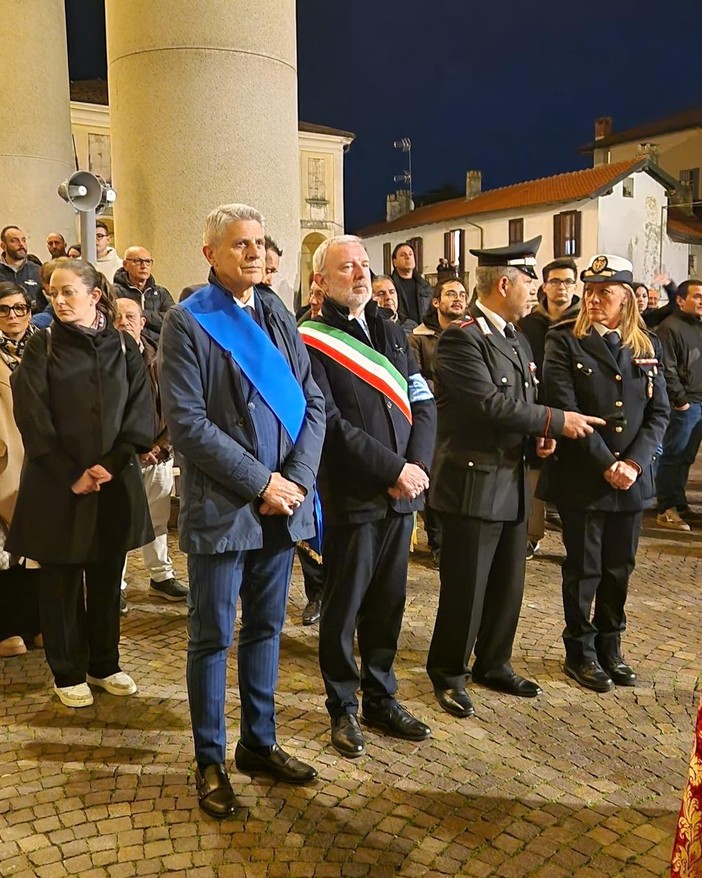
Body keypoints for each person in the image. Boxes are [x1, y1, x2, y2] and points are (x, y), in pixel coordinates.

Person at [159, 203, 325, 819]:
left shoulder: (277, 311)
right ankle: (209, 759)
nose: (254, 253)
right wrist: (262, 483)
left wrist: (297, 480)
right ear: (210, 254)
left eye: (259, 243)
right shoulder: (187, 321)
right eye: (239, 245)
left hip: (282, 506)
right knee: (212, 637)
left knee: (265, 628)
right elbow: (188, 424)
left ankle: (259, 741)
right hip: (225, 508)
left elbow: (313, 402)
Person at [426, 237, 605, 720]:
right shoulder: (462, 338)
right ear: (504, 284)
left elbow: (521, 404)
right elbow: (488, 405)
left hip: (512, 477)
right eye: (530, 281)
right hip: (474, 481)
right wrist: (555, 421)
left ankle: (494, 662)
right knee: (466, 588)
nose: (536, 291)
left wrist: (538, 439)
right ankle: (449, 673)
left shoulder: (515, 337)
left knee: (508, 583)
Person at [299, 234, 436, 759]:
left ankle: (381, 697)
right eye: (347, 267)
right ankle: (343, 707)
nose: (360, 274)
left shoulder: (393, 331)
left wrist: (417, 466)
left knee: (388, 603)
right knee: (344, 606)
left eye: (364, 265)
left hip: (402, 494)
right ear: (321, 280)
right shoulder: (310, 340)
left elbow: (423, 402)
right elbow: (330, 424)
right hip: (354, 494)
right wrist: (393, 469)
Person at [6, 259, 155, 708]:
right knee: (62, 581)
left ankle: (104, 663)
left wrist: (111, 463)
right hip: (58, 484)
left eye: (68, 291)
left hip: (113, 482)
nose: (59, 300)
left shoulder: (123, 346)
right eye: (53, 293)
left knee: (108, 577)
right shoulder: (43, 344)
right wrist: (73, 472)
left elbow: (140, 408)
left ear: (95, 295)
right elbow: (32, 412)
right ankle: (67, 670)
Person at [538, 254, 669, 692]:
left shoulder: (646, 345)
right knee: (584, 568)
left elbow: (659, 413)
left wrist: (633, 464)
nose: (593, 299)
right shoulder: (564, 341)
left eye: (604, 292)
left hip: (631, 479)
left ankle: (611, 647)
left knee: (619, 568)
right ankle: (580, 651)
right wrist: (606, 463)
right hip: (584, 476)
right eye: (589, 291)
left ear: (625, 298)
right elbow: (562, 405)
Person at [114, 297, 188, 602]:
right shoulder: (104, 359)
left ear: (143, 322)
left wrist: (161, 444)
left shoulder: (160, 358)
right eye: (117, 316)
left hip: (159, 454)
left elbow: (176, 404)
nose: (124, 322)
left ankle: (161, 576)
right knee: (118, 523)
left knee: (158, 520)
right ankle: (115, 586)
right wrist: (134, 448)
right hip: (122, 459)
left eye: (130, 316)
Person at [519, 258, 581, 558]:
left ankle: (575, 541)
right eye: (555, 281)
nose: (562, 288)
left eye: (568, 281)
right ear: (544, 286)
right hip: (538, 409)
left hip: (573, 410)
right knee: (534, 475)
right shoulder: (529, 324)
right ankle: (532, 535)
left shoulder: (584, 322)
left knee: (573, 479)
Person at [409, 278, 468, 565]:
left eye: (462, 295)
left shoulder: (472, 333)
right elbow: (417, 378)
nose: (458, 299)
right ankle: (437, 540)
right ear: (436, 302)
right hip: (435, 416)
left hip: (465, 418)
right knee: (435, 482)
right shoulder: (419, 338)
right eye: (451, 294)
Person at [0, 282, 41, 657]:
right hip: (4, 460)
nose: (13, 316)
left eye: (19, 308)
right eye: (3, 309)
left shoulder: (45, 346)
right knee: (4, 552)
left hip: (42, 460)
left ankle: (37, 622)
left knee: (39, 549)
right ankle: (7, 628)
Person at [655, 279, 702, 531]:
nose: (701, 301)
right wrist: (680, 401)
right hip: (685, 404)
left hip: (698, 401)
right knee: (674, 456)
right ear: (680, 301)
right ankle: (666, 508)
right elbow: (667, 367)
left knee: (686, 457)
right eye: (697, 296)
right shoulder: (670, 327)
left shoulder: (698, 326)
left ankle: (679, 503)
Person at [113, 247, 175, 342]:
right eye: (138, 261)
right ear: (125, 265)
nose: (144, 266)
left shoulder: (161, 293)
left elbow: (172, 321)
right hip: (123, 343)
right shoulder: (113, 291)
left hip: (157, 345)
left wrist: (139, 313)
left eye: (148, 262)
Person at [0, 226, 43, 311]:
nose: (21, 244)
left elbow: (47, 304)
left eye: (23, 240)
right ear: (3, 246)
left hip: (33, 317)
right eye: (14, 241)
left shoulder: (38, 271)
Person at [390, 243, 432, 325]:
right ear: (395, 262)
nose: (408, 257)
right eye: (403, 255)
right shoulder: (390, 285)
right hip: (399, 327)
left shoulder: (424, 285)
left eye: (410, 254)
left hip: (423, 328)